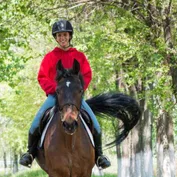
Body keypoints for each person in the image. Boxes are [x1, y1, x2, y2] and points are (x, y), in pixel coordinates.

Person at [18, 19, 110, 169]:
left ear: (70, 36)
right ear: (56, 38)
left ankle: (99, 156)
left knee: (97, 126)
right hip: (55, 97)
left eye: (65, 35)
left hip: (75, 98)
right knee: (35, 124)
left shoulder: (79, 56)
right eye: (59, 35)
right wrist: (56, 90)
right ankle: (30, 154)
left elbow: (86, 75)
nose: (62, 38)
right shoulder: (49, 57)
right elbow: (42, 77)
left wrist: (77, 91)